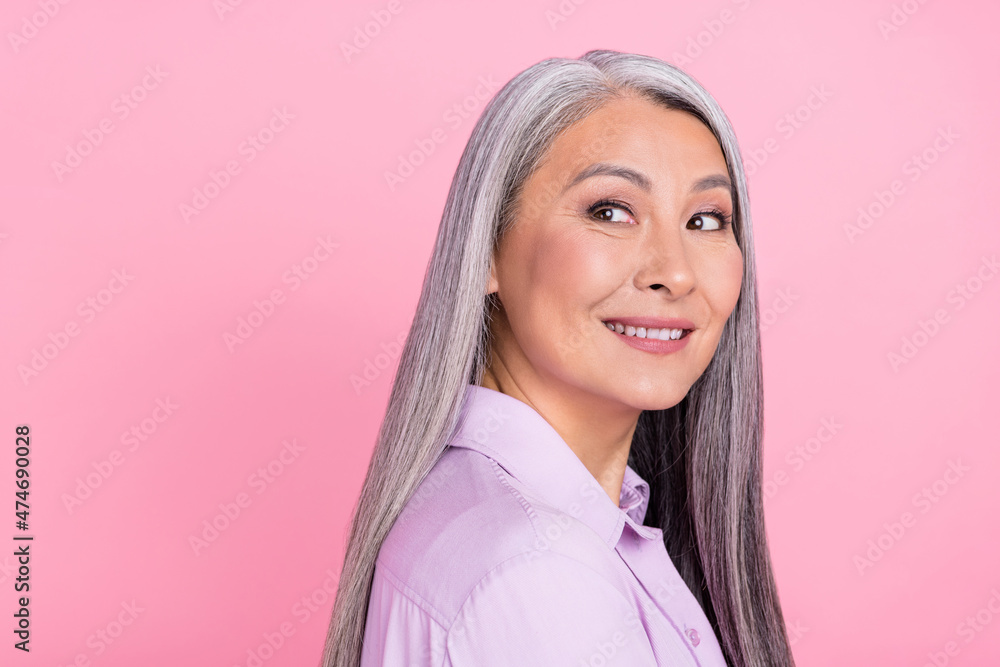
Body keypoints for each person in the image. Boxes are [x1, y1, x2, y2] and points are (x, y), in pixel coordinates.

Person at [322, 49, 796, 667]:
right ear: (487, 249)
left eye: (705, 219)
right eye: (611, 211)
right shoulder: (539, 572)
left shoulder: (476, 514)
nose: (675, 273)